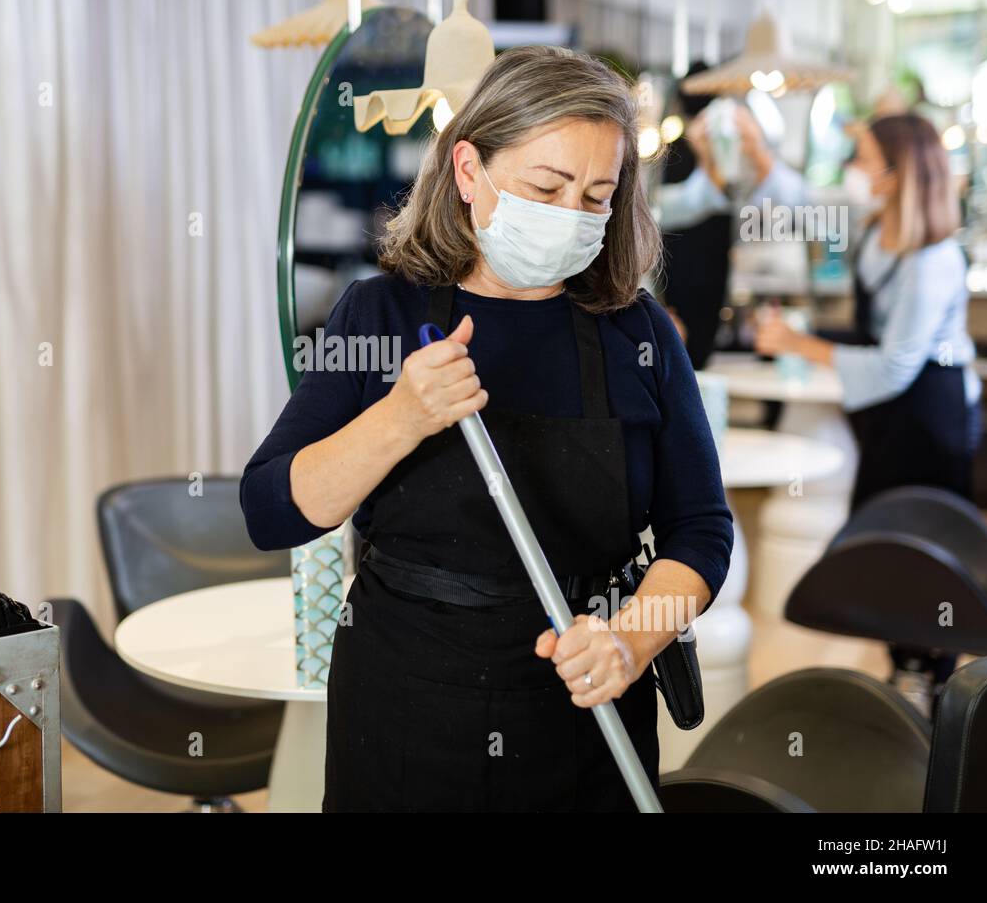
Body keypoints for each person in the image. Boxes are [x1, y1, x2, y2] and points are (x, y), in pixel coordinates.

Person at [242, 46, 733, 812]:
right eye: (546, 185)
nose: (571, 215)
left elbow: (701, 532)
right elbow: (271, 509)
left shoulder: (638, 334)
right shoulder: (381, 315)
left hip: (585, 704)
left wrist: (631, 639)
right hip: (406, 703)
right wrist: (401, 417)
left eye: (596, 195)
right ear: (469, 171)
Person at [756, 113, 978, 510]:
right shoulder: (877, 229)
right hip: (890, 412)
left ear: (895, 176)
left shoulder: (931, 262)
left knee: (912, 541)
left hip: (927, 416)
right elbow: (806, 206)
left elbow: (894, 367)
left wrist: (801, 345)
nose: (851, 168)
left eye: (862, 158)